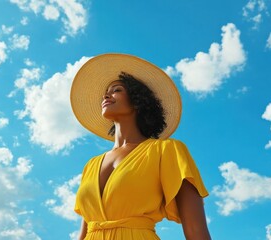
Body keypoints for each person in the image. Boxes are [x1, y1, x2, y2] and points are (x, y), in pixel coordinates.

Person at [70, 53, 211, 240]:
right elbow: (84, 233)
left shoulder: (166, 150)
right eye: (106, 91)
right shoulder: (91, 165)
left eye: (116, 90)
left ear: (137, 101)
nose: (106, 95)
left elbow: (196, 232)